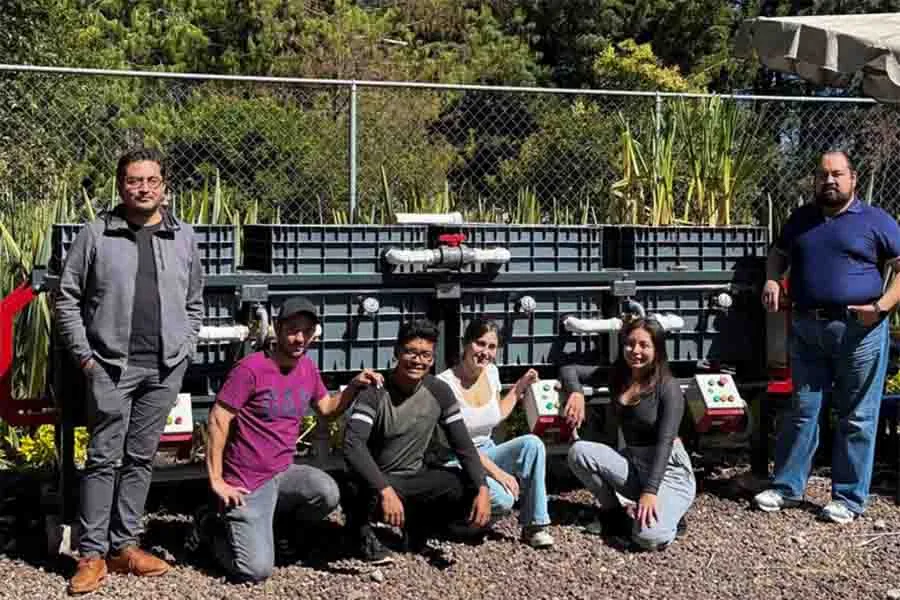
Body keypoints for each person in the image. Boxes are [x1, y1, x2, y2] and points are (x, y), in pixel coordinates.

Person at [56, 148, 204, 594]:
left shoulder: (183, 236)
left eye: (152, 181)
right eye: (134, 180)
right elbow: (66, 298)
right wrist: (87, 358)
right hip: (110, 368)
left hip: (164, 370)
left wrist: (186, 346)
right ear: (120, 186)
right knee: (103, 459)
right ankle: (91, 555)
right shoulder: (97, 233)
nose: (144, 188)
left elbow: (195, 299)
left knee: (141, 458)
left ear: (165, 187)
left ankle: (124, 547)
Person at [192, 296, 382, 582]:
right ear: (278, 329)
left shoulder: (307, 368)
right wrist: (217, 480)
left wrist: (354, 386)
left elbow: (328, 409)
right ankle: (211, 528)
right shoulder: (250, 368)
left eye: (306, 331)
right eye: (293, 329)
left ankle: (277, 529)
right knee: (254, 571)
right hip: (247, 479)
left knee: (326, 493)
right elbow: (219, 419)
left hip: (283, 472)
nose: (299, 338)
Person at [755, 150, 900, 524]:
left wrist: (882, 307)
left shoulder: (876, 221)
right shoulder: (801, 219)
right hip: (806, 328)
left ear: (852, 178)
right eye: (823, 175)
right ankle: (787, 488)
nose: (830, 181)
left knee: (857, 416)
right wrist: (772, 277)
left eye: (837, 174)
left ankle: (848, 499)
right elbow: (778, 252)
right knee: (802, 411)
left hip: (860, 331)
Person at [341, 319, 491, 563]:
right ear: (397, 352)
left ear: (432, 359)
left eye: (426, 355)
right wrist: (385, 490)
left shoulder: (439, 391)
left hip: (413, 477)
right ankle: (361, 534)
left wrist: (483, 488)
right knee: (355, 486)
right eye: (411, 352)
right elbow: (352, 445)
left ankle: (419, 529)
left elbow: (462, 445)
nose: (418, 361)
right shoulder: (375, 391)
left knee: (467, 485)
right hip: (375, 482)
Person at [564, 318, 695, 551]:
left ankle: (670, 515)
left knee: (648, 538)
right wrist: (576, 393)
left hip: (668, 472)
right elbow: (569, 369)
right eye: (630, 343)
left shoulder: (668, 387)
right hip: (634, 465)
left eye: (644, 345)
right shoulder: (619, 376)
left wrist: (650, 492)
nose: (635, 351)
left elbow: (665, 443)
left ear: (657, 350)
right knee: (578, 452)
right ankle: (614, 513)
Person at [436, 319, 554, 548]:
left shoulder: (491, 373)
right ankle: (456, 523)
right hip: (456, 460)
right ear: (465, 344)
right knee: (503, 498)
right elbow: (460, 444)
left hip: (487, 451)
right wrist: (499, 473)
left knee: (533, 444)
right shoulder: (445, 384)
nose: (485, 352)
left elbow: (497, 412)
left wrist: (520, 386)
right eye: (480, 344)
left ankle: (535, 525)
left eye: (491, 347)